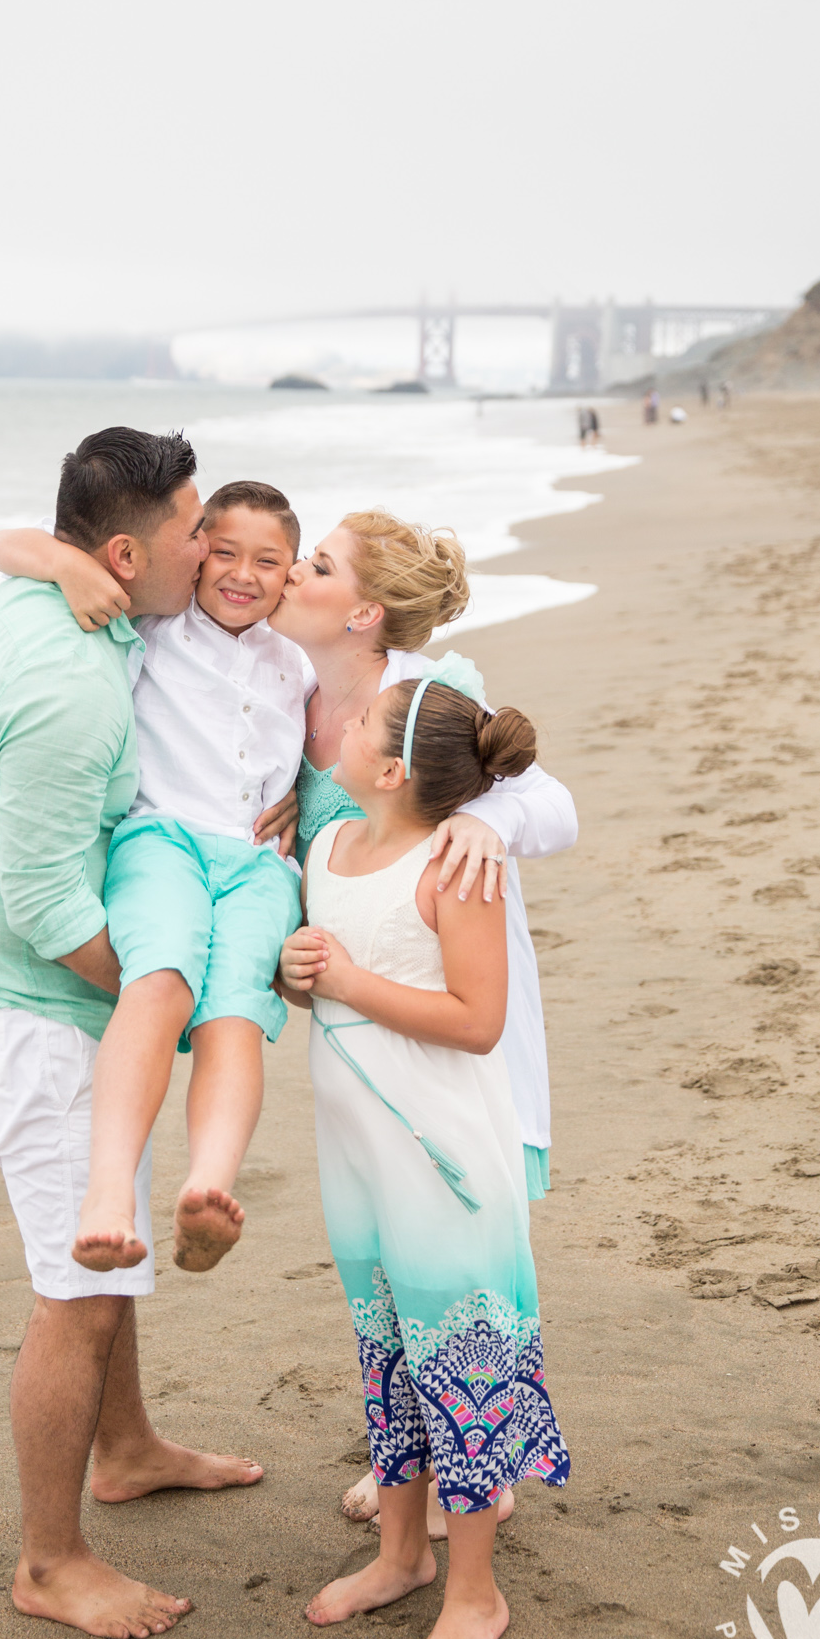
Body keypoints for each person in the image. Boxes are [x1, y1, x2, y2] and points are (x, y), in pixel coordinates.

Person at [0, 427, 263, 1639]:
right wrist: (164, 996)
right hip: (26, 1012)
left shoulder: (55, 589)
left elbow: (18, 542)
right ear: (126, 551)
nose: (212, 547)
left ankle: (124, 1447)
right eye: (194, 534)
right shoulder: (71, 681)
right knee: (82, 1276)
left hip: (45, 999)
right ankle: (50, 1556)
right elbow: (44, 903)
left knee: (108, 1252)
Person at [268, 511, 575, 1535]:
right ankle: (419, 1460)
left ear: (362, 611)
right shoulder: (278, 689)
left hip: (436, 1003)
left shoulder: (423, 705)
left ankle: (472, 1464)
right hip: (353, 1030)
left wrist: (485, 817)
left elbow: (551, 803)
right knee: (384, 1265)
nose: (280, 573)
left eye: (309, 562)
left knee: (463, 1250)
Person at [0, 481, 306, 1277]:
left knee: (234, 1012)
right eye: (222, 550)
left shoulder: (297, 662)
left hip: (260, 866)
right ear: (194, 557)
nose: (241, 573)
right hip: (162, 841)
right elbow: (0, 545)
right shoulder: (153, 628)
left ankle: (206, 1188)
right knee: (157, 979)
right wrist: (66, 565)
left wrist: (302, 790)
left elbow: (341, 750)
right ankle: (106, 1193)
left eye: (267, 561)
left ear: (292, 575)